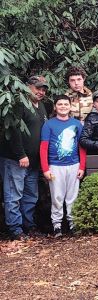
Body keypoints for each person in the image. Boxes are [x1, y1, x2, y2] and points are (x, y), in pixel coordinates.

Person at [2, 75, 49, 240]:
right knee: (14, 195)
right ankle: (15, 230)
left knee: (31, 196)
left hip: (34, 162)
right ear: (28, 86)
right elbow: (13, 130)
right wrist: (20, 154)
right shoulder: (19, 103)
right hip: (16, 160)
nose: (41, 92)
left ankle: (28, 226)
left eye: (43, 89)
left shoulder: (41, 106)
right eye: (38, 88)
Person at [40, 95, 86, 238]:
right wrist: (45, 169)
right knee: (57, 196)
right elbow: (43, 148)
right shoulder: (49, 124)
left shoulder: (77, 124)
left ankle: (72, 223)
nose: (63, 107)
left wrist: (82, 167)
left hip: (73, 164)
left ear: (70, 106)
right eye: (60, 104)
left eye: (66, 104)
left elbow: (82, 147)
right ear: (55, 107)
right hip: (55, 165)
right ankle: (57, 225)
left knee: (72, 196)